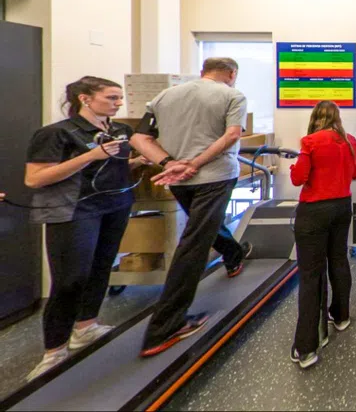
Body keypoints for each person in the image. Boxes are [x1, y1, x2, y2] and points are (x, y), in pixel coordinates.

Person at [23, 77, 148, 381]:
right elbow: (36, 179)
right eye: (111, 98)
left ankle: (86, 326)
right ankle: (54, 350)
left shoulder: (119, 131)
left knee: (100, 267)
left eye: (120, 98)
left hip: (114, 205)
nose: (118, 103)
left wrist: (139, 161)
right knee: (70, 279)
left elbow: (111, 167)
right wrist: (91, 155)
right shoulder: (57, 134)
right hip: (74, 210)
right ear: (85, 99)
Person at [130, 57, 251, 357]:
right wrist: (194, 163)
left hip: (179, 180)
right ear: (232, 74)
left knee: (202, 226)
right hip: (214, 176)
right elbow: (233, 134)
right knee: (194, 244)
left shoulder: (164, 96)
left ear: (202, 72)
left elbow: (139, 137)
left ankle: (233, 253)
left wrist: (170, 163)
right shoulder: (232, 95)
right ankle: (164, 327)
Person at [289, 100, 356, 369]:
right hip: (342, 207)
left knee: (310, 276)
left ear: (316, 117)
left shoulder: (310, 141)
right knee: (339, 260)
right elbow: (355, 172)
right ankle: (341, 316)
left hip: (313, 211)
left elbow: (298, 178)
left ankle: (306, 348)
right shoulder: (350, 140)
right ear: (337, 117)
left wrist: (294, 168)